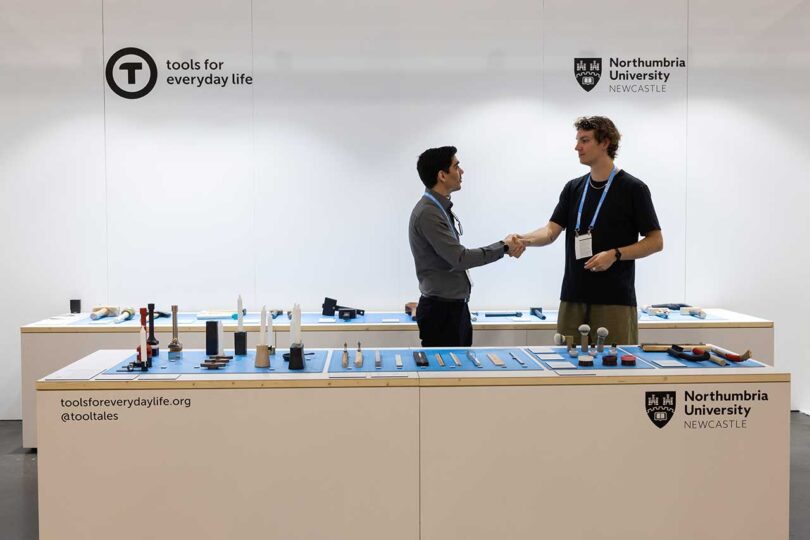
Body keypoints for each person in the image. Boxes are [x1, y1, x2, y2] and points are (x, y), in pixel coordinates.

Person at [517, 116, 663, 344]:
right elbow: (550, 231)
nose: (577, 147)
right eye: (577, 140)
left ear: (605, 142)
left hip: (614, 299)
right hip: (573, 297)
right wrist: (522, 239)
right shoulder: (573, 187)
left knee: (613, 370)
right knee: (567, 367)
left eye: (584, 140)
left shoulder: (634, 189)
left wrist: (615, 254)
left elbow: (655, 241)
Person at [409, 146, 524, 347]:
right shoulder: (428, 213)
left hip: (453, 309)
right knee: (447, 376)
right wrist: (504, 247)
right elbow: (459, 258)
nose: (461, 172)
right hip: (442, 312)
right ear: (442, 175)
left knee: (458, 374)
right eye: (456, 166)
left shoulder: (438, 208)